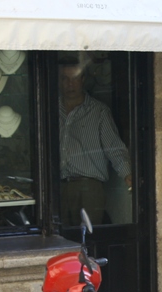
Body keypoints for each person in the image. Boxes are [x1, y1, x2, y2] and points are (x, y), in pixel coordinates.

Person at [59, 62, 132, 226]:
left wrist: (128, 174)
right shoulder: (50, 108)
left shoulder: (98, 111)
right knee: (59, 240)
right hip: (58, 187)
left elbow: (113, 147)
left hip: (89, 188)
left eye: (75, 78)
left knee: (90, 240)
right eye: (65, 79)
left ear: (83, 79)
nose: (70, 84)